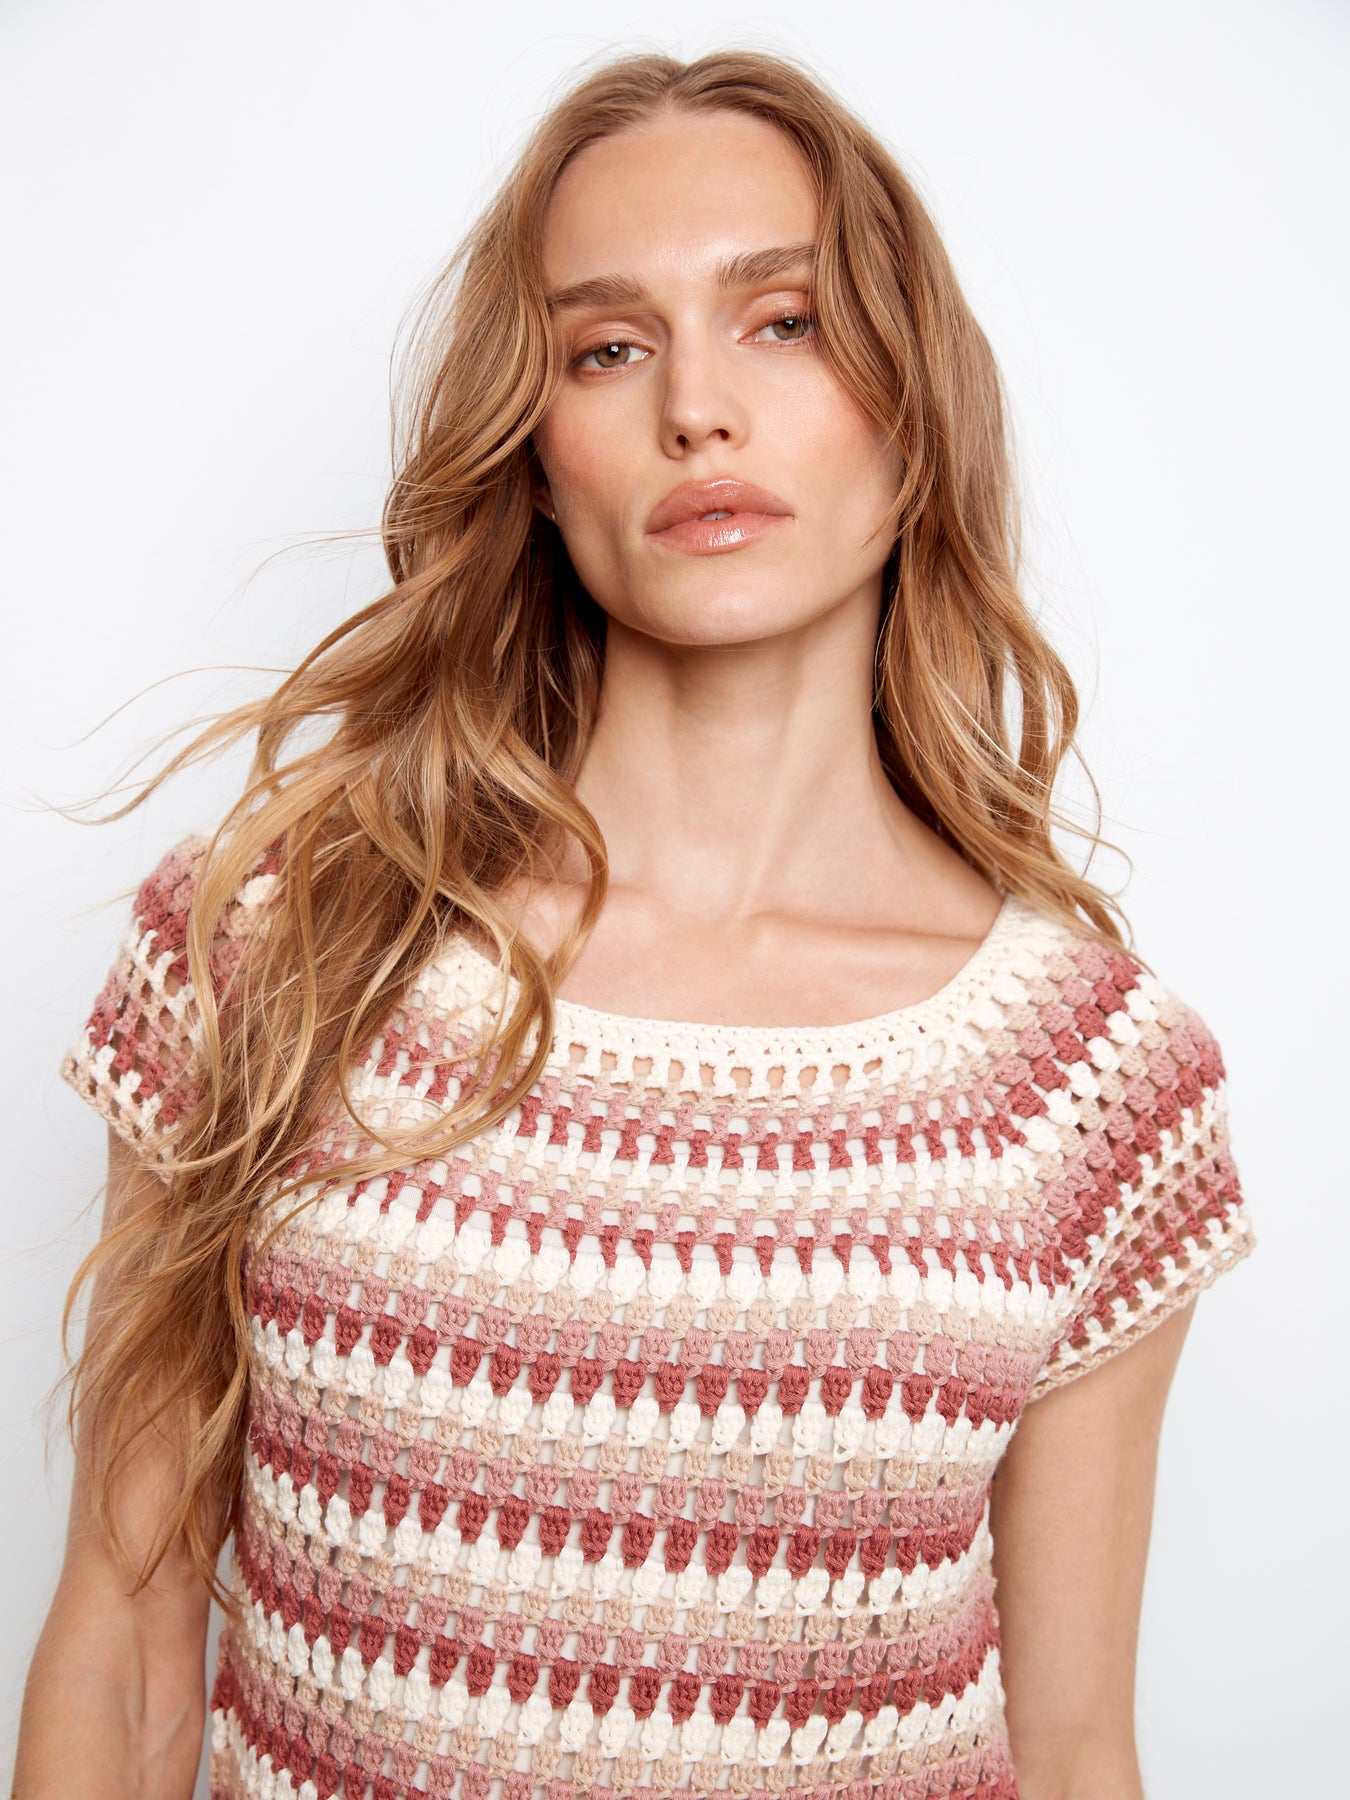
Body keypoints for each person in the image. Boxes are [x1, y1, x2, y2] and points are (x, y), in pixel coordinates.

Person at [14, 47, 1256, 1800]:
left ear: (914, 416)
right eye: (606, 347)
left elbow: (1067, 1752)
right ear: (533, 457)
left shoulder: (1084, 1081)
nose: (695, 410)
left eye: (784, 322)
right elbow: (126, 1650)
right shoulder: (279, 942)